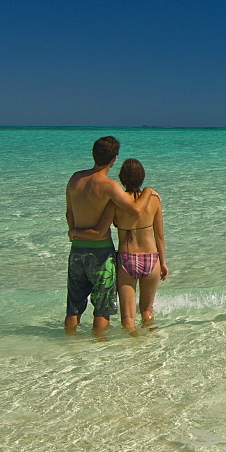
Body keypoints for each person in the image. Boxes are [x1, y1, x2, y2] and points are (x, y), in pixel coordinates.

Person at [64, 136, 153, 335]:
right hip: (101, 253)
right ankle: (99, 347)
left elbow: (69, 213)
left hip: (77, 250)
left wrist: (75, 232)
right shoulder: (109, 185)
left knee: (73, 306)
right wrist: (148, 191)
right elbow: (136, 210)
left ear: (93, 154)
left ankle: (68, 344)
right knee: (102, 308)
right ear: (114, 159)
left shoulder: (75, 179)